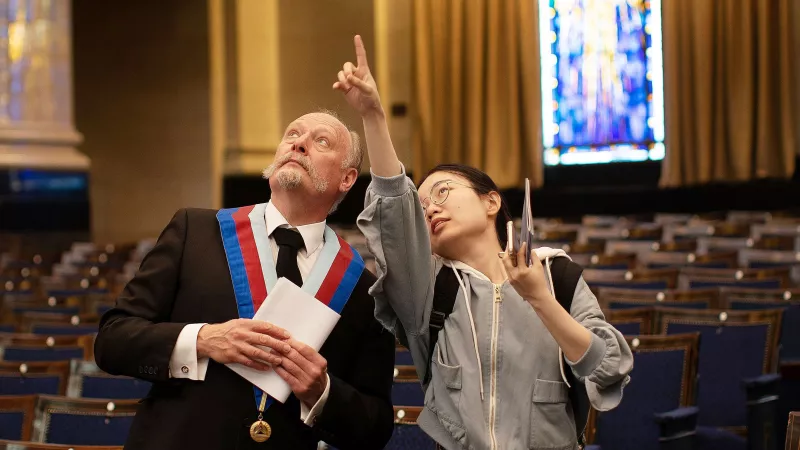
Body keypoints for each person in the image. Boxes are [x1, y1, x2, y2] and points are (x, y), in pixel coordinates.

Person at [334, 35, 633, 449]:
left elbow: (609, 368)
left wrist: (539, 298)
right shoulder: (430, 291)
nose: (431, 209)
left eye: (443, 192)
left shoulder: (556, 274)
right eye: (421, 207)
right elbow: (395, 225)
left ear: (491, 201)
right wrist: (374, 117)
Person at [94, 110, 396, 450]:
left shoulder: (363, 289)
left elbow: (376, 427)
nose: (298, 144)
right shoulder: (195, 231)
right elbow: (111, 342)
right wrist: (204, 339)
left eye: (320, 141)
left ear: (347, 179)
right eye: (292, 134)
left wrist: (322, 392)